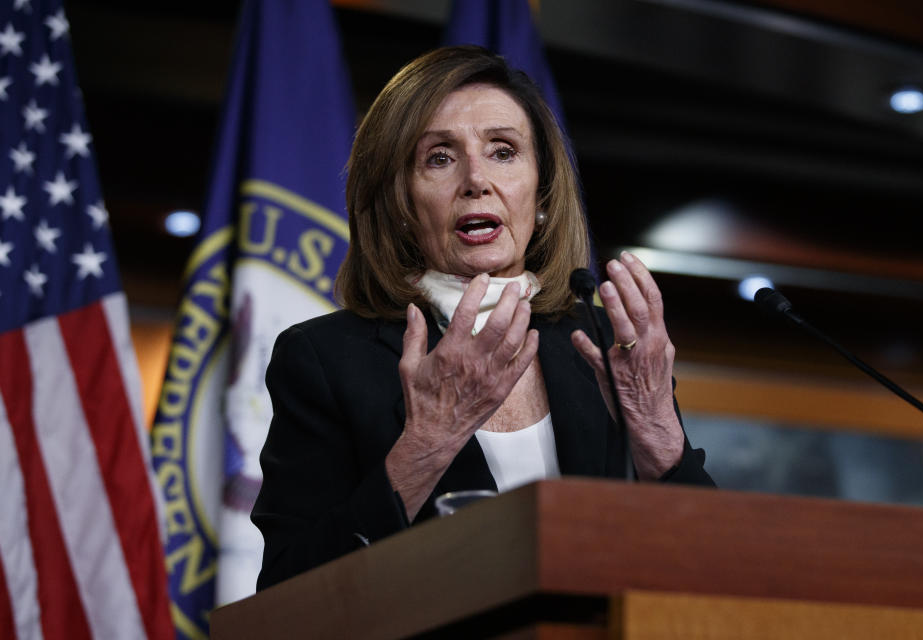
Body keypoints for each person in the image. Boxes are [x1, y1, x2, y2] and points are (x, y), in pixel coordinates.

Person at [252, 45, 714, 591]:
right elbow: (288, 594)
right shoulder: (325, 360)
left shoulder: (607, 342)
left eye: (502, 151)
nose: (476, 179)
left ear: (540, 196)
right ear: (399, 203)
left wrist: (658, 433)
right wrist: (427, 444)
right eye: (440, 158)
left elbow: (710, 567)